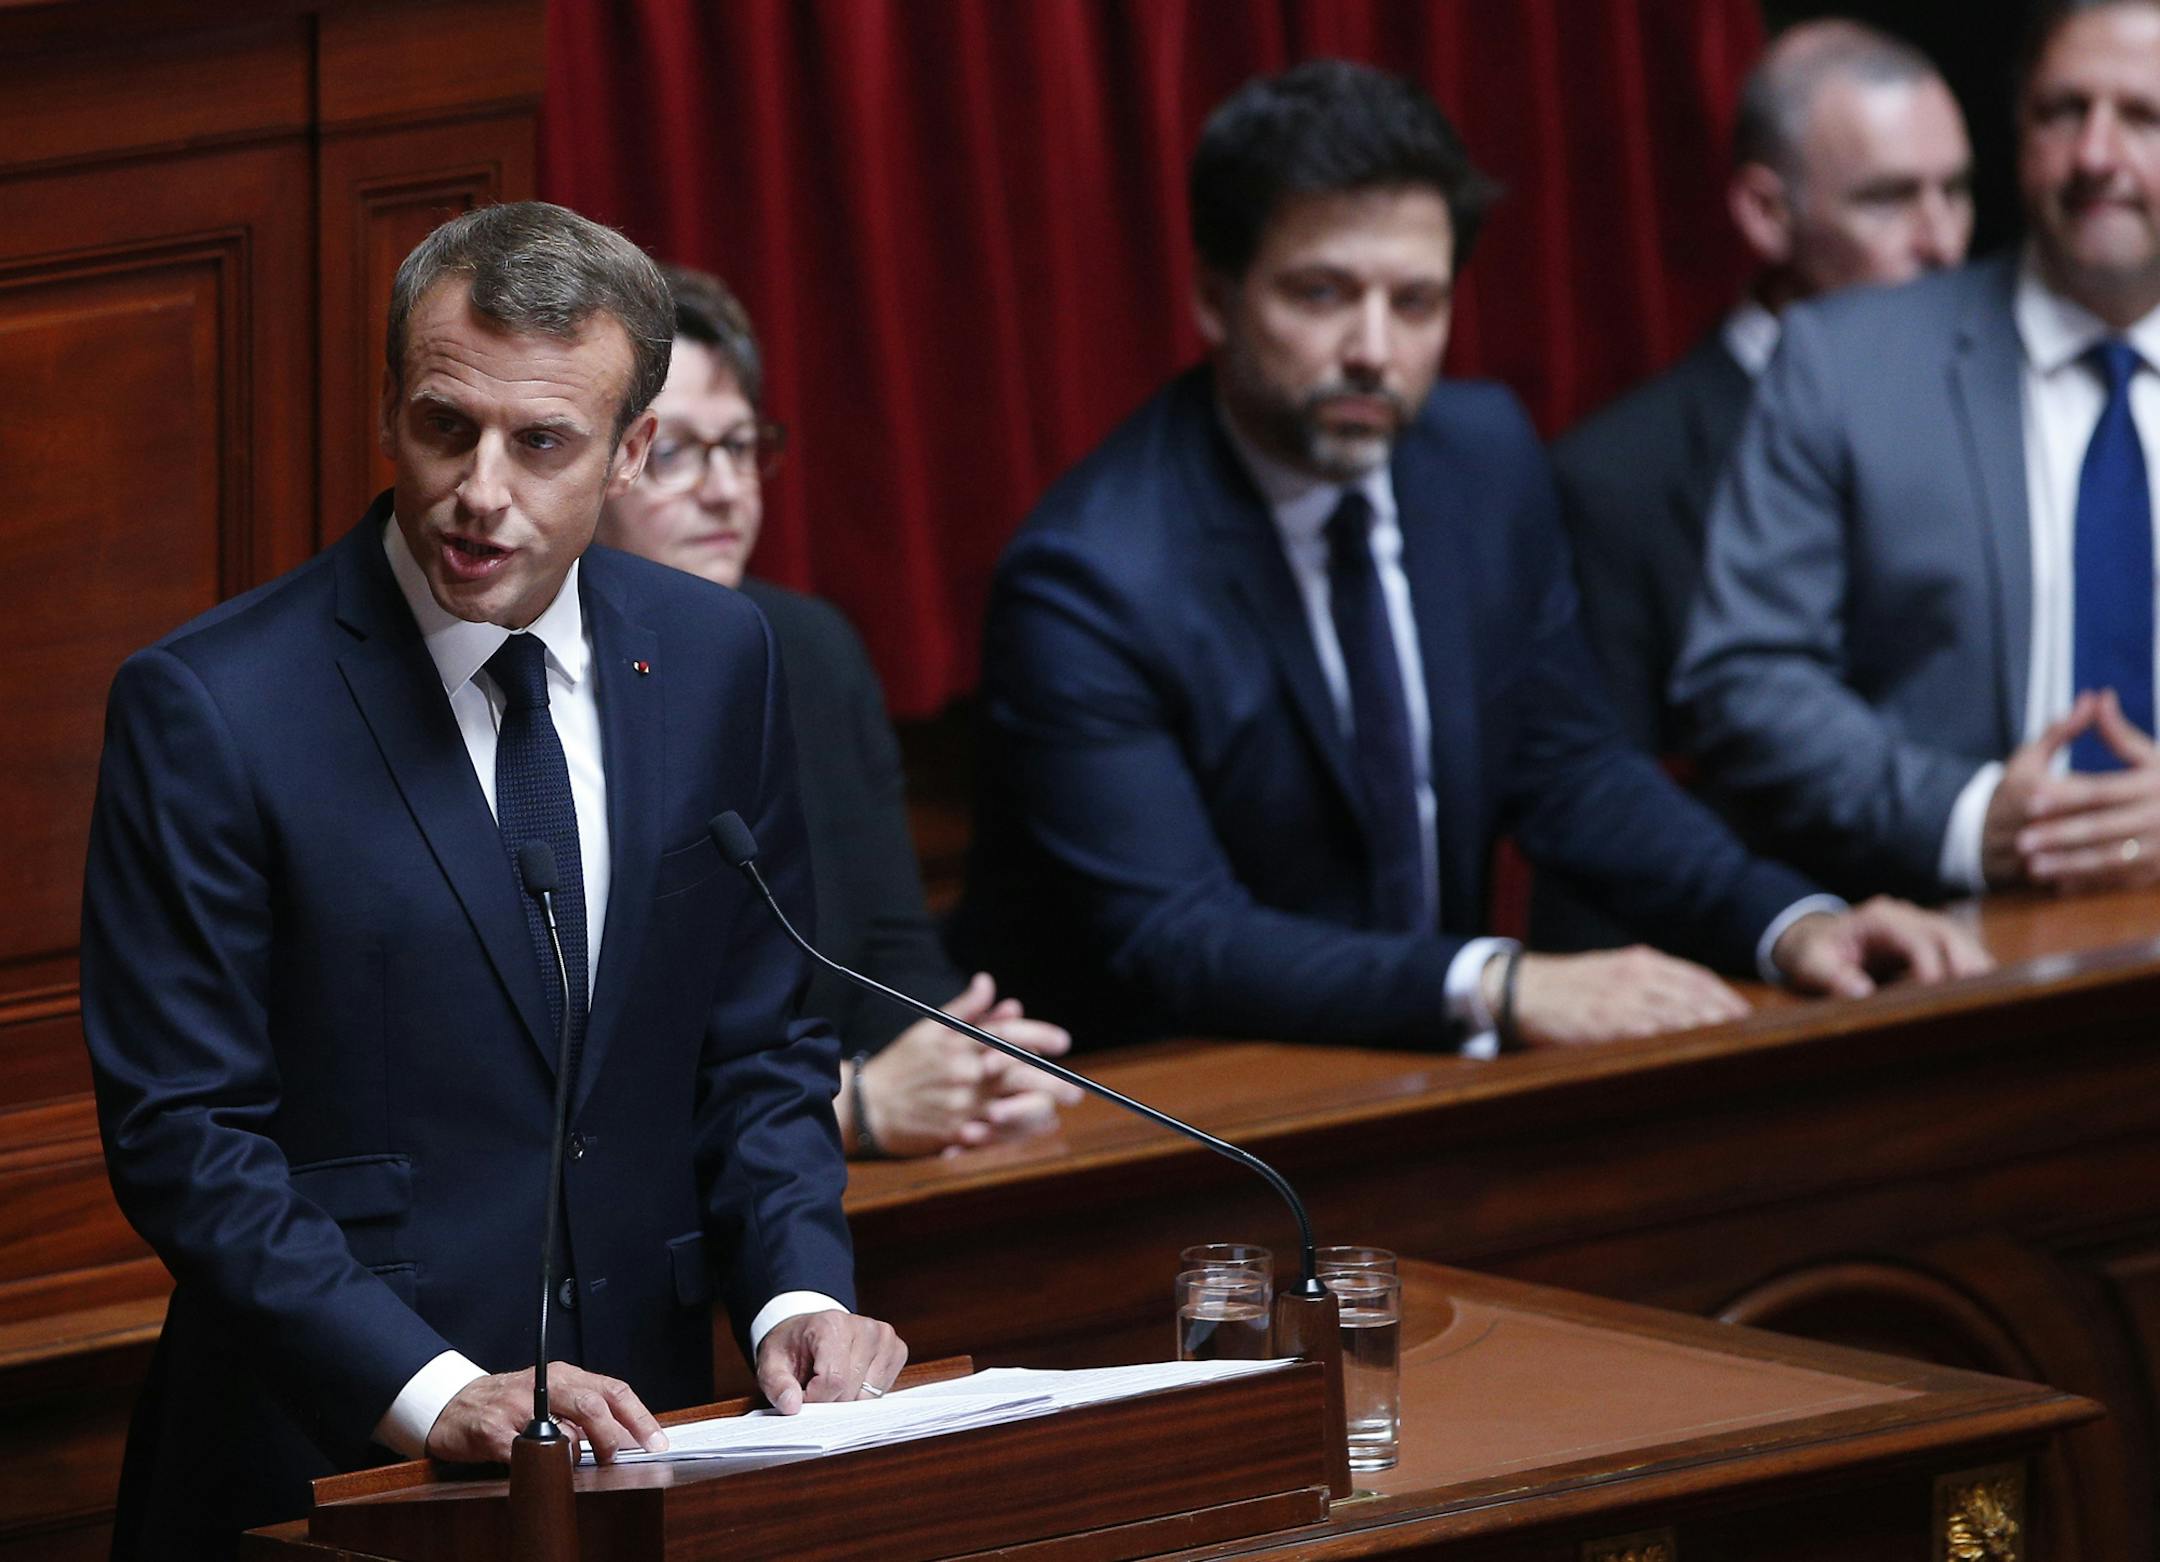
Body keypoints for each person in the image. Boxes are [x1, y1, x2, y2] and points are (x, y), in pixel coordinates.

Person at [81, 203, 904, 1558]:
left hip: (653, 1439)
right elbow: (187, 1136)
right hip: (323, 1467)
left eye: (541, 443)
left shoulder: (715, 662)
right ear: (389, 411)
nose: (480, 489)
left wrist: (792, 1295)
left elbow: (762, 1045)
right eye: (444, 426)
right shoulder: (214, 708)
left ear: (632, 450)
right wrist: (436, 1389)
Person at [956, 60, 1989, 1056]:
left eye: (1416, 302)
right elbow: (1177, 935)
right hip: (1174, 1109)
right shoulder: (1090, 576)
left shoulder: (1479, 459)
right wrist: (1494, 980)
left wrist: (1792, 921)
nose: (1373, 347)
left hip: (1422, 1076)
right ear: (1216, 299)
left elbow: (1571, 769)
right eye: (1321, 294)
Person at [1674, 0, 2160, 902]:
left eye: (2144, 117)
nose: (2096, 155)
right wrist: (1972, 817)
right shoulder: (1841, 361)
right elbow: (1747, 676)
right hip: (1949, 952)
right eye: (2062, 112)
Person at [597, 265, 1079, 1157]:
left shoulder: (810, 651)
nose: (726, 488)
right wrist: (855, 1106)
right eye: (679, 454)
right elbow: (595, 1089)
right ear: (599, 463)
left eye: (742, 447)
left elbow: (896, 964)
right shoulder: (544, 692)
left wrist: (968, 1063)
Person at [1538, 20, 1973, 947]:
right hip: (1767, 982)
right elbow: (1593, 813)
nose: (1940, 242)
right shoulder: (1619, 477)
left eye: (1958, 192)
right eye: (1890, 199)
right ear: (1767, 214)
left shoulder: (2016, 408)